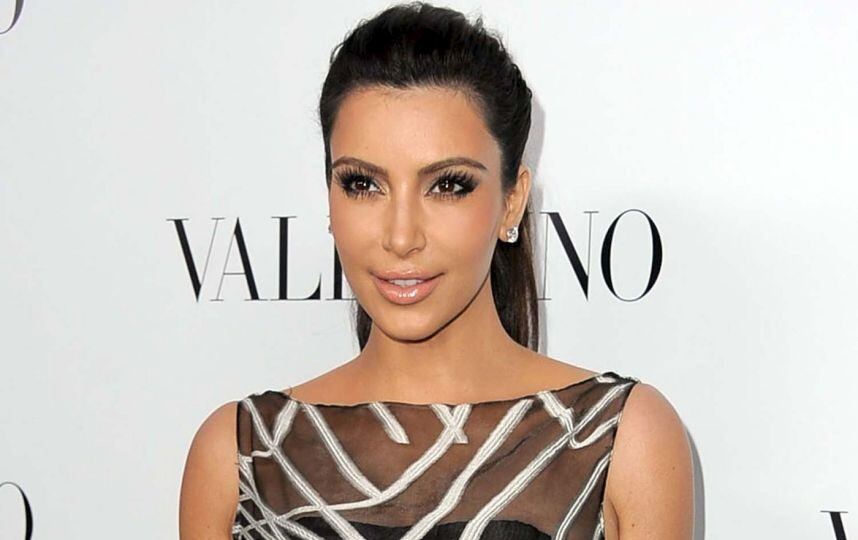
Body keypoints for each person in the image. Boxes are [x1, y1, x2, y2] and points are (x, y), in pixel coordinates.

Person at [179, 2, 694, 538]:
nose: (401, 237)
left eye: (448, 185)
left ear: (512, 201)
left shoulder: (619, 439)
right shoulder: (239, 457)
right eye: (362, 184)